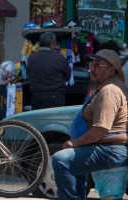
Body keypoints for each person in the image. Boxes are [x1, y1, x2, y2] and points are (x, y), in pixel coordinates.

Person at [52, 49, 128, 200]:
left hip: (111, 149)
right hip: (106, 147)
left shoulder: (109, 91)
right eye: (91, 63)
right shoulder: (101, 88)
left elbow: (101, 129)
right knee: (73, 162)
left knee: (61, 160)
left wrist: (75, 142)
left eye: (97, 65)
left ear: (111, 70)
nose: (91, 68)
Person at [27, 32, 71, 109]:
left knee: (39, 119)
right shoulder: (60, 58)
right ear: (52, 43)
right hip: (56, 96)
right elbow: (67, 76)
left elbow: (29, 74)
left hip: (37, 97)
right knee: (55, 119)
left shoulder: (31, 58)